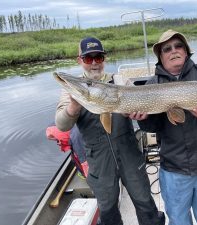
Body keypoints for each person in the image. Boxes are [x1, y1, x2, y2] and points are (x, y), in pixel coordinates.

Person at [55, 37, 165, 225]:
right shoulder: (73, 91)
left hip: (130, 154)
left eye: (99, 58)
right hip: (99, 161)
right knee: (108, 210)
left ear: (104, 59)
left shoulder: (121, 81)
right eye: (89, 59)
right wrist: (73, 107)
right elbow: (62, 124)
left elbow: (143, 105)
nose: (95, 63)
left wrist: (142, 114)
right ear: (80, 60)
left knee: (145, 202)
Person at [130, 29, 197, 225]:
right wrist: (142, 119)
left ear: (186, 51)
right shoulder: (152, 85)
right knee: (178, 221)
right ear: (160, 57)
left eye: (178, 46)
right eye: (167, 49)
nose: (173, 51)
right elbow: (153, 127)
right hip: (174, 169)